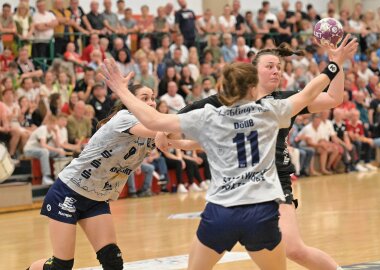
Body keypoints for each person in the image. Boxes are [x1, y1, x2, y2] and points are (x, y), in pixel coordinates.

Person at [100, 32, 355, 269]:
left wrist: (123, 92)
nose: (276, 71)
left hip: (249, 194)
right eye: (270, 66)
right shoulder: (272, 110)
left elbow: (159, 120)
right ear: (252, 75)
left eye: (279, 67)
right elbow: (312, 90)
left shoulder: (219, 113)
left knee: (294, 248)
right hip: (260, 200)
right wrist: (334, 64)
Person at [28, 84, 158, 270]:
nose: (151, 102)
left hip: (97, 197)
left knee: (112, 262)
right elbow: (163, 129)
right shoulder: (125, 117)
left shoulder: (150, 128)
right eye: (144, 98)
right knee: (60, 266)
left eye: (152, 98)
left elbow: (175, 136)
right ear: (129, 101)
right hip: (69, 192)